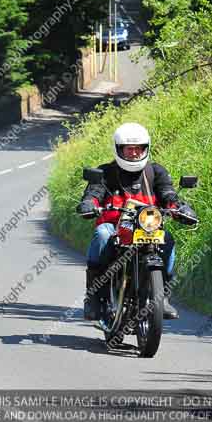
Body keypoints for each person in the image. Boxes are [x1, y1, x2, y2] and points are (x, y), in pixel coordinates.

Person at [76, 122, 197, 321]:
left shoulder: (155, 172)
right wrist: (89, 203)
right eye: (129, 149)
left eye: (138, 149)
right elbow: (94, 192)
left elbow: (168, 194)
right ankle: (95, 297)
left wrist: (180, 208)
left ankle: (163, 296)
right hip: (115, 228)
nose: (133, 153)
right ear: (118, 149)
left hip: (147, 229)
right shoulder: (106, 172)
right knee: (101, 234)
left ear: (146, 149)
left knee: (167, 238)